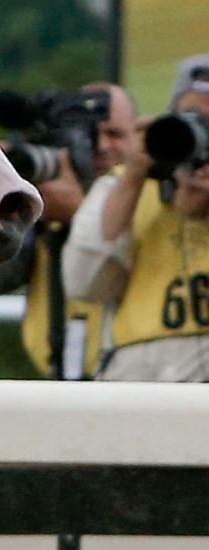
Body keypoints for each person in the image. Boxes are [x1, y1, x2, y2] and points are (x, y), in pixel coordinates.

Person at [0, 83, 138, 378]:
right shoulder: (44, 194)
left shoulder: (144, 193)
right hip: (55, 370)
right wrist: (13, 205)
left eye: (114, 133)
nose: (100, 147)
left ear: (138, 136)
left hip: (127, 373)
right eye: (86, 134)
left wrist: (78, 212)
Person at [61, 56, 209, 383]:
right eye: (194, 119)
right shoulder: (125, 184)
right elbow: (84, 283)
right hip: (139, 372)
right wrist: (134, 176)